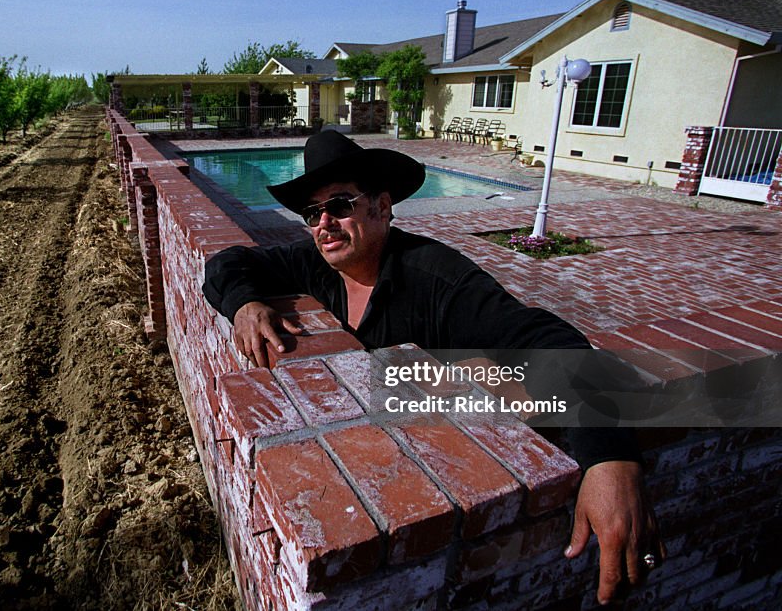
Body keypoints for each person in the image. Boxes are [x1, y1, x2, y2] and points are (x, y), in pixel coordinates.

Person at [203, 130, 664, 606]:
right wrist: (245, 304)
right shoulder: (317, 263)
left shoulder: (439, 279)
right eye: (311, 213)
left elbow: (554, 343)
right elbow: (225, 264)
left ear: (382, 207)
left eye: (340, 205)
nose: (324, 223)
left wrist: (610, 458)